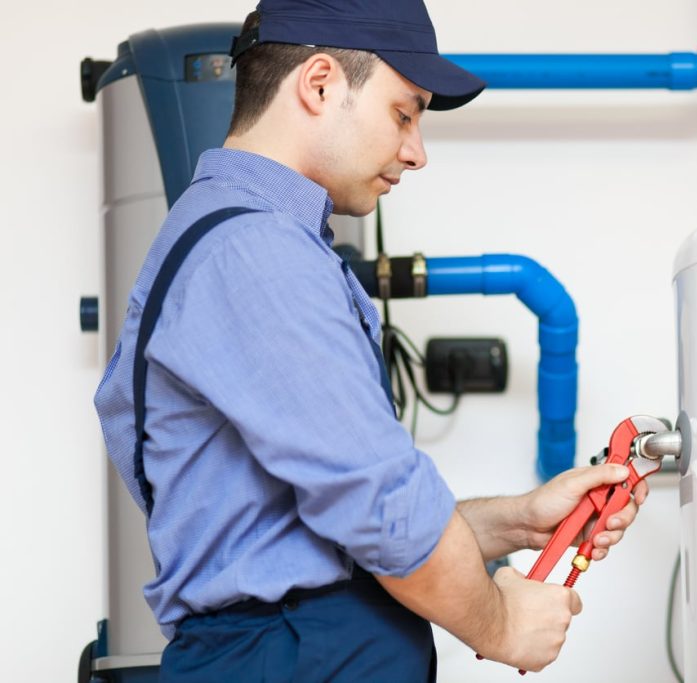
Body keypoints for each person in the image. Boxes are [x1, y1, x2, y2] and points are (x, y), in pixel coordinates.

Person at [94, 1, 649, 680]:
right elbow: (383, 511)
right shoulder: (257, 251)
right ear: (320, 83)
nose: (416, 151)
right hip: (294, 654)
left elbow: (306, 539)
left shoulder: (237, 240)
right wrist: (501, 623)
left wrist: (519, 520)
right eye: (404, 112)